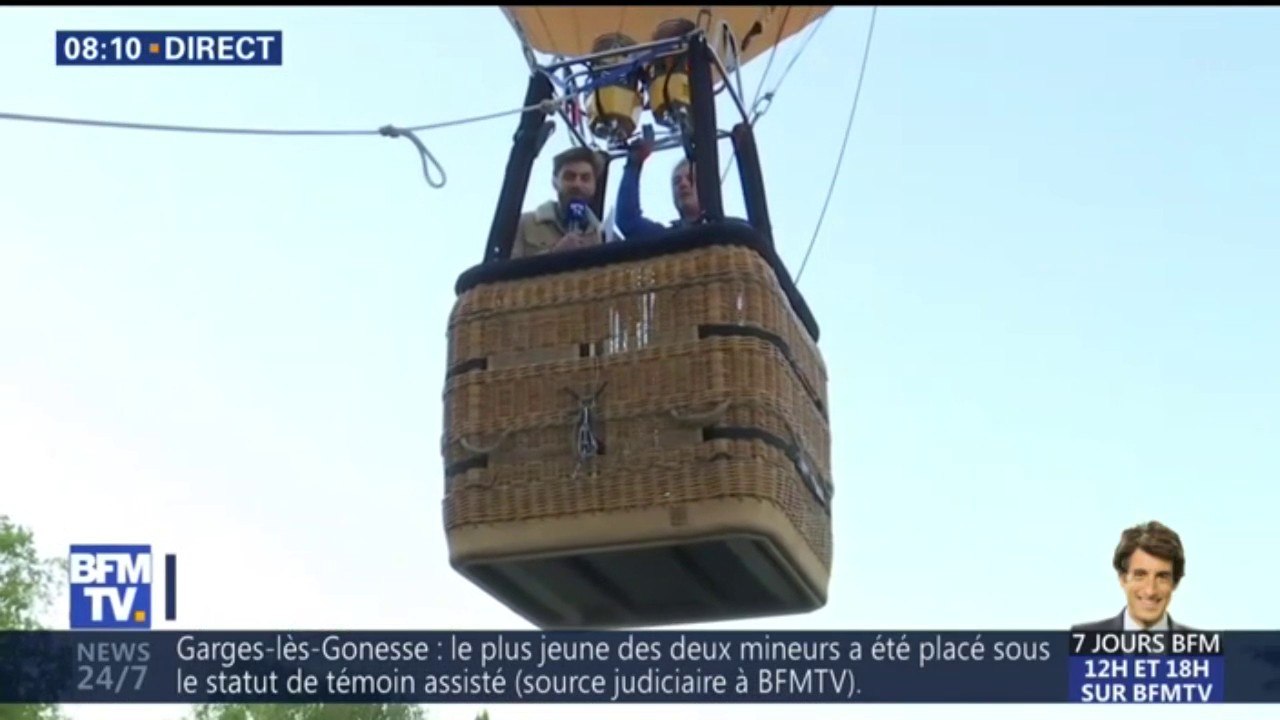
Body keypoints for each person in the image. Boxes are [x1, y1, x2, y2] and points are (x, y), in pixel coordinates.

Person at [1072, 520, 1193, 631]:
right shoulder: (1082, 640)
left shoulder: (1203, 647)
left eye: (1162, 577)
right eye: (1140, 575)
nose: (1150, 591)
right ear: (1123, 578)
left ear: (1175, 582)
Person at [510, 147, 604, 259]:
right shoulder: (524, 223)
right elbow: (504, 272)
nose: (577, 184)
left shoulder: (602, 236)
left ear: (594, 186)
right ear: (555, 182)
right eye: (569, 177)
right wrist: (554, 254)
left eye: (585, 178)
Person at [614, 139, 701, 242]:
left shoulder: (724, 233)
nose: (683, 184)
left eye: (690, 178)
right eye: (676, 182)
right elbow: (628, 222)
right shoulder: (666, 239)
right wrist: (633, 164)